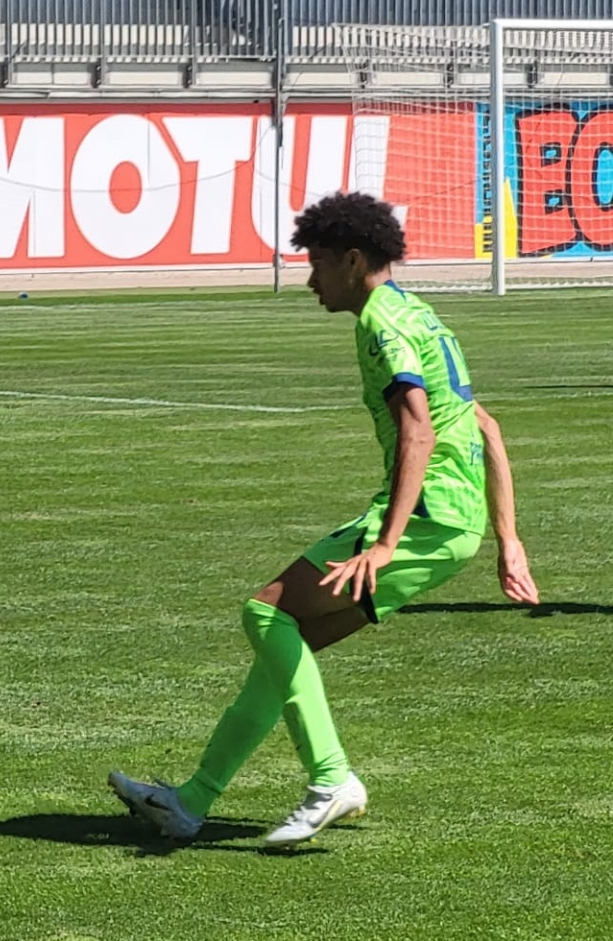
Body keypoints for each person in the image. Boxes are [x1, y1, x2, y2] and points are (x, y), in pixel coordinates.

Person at [109, 192, 539, 847]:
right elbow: (487, 426)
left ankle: (331, 779)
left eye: (317, 263)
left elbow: (419, 430)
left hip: (424, 519)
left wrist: (386, 544)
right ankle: (190, 802)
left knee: (265, 612)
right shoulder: (422, 316)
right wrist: (507, 538)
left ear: (354, 260)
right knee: (287, 649)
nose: (311, 279)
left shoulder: (382, 325)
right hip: (452, 524)